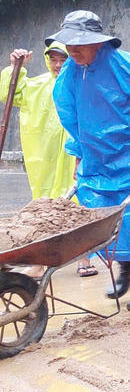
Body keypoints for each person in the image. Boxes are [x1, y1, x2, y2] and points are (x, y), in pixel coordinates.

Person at [49, 10, 130, 310]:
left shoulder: (129, 67)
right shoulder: (72, 72)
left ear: (97, 42)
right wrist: (79, 160)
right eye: (68, 44)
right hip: (98, 162)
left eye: (79, 43)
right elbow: (75, 122)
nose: (72, 49)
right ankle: (128, 269)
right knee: (103, 222)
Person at [1, 43, 97, 275]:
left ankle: (83, 258)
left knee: (78, 204)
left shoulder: (83, 83)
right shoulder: (37, 86)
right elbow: (9, 93)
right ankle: (41, 261)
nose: (57, 64)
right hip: (44, 159)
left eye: (62, 59)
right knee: (45, 208)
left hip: (73, 156)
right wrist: (15, 68)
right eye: (53, 59)